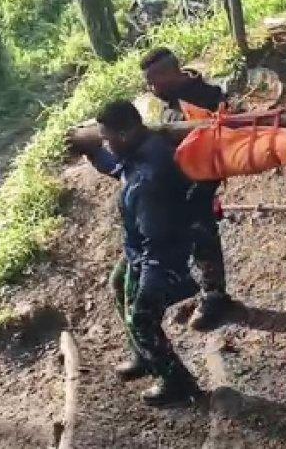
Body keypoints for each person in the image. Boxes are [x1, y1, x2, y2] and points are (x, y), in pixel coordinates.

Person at [65, 101, 203, 406]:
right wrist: (91, 151)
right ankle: (144, 356)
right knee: (118, 283)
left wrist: (149, 281)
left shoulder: (149, 178)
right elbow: (117, 168)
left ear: (125, 133)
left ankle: (176, 383)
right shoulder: (139, 151)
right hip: (141, 248)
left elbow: (159, 240)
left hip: (161, 255)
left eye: (106, 138)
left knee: (142, 318)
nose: (105, 143)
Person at [140, 48, 234, 332]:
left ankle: (215, 296)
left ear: (171, 74)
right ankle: (204, 291)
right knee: (189, 238)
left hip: (200, 180)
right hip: (180, 181)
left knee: (201, 233)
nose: (150, 88)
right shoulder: (171, 102)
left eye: (153, 81)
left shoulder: (207, 97)